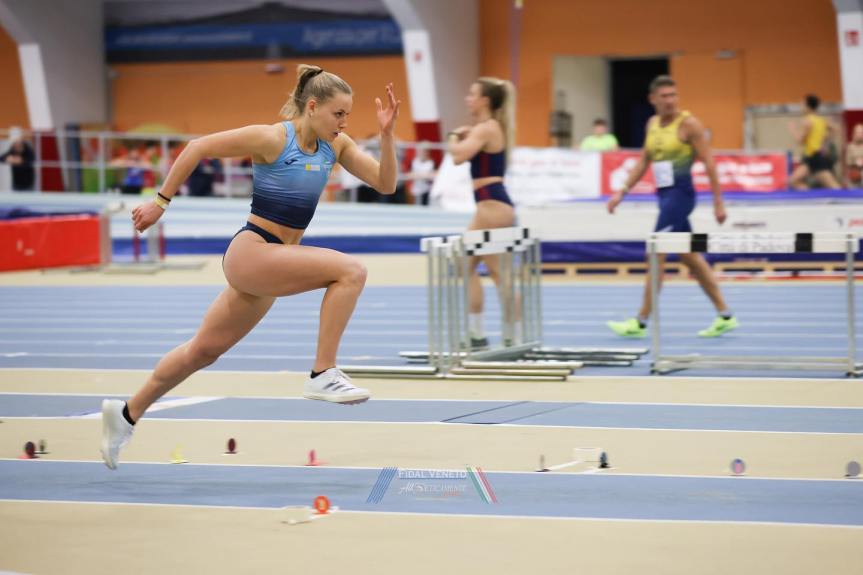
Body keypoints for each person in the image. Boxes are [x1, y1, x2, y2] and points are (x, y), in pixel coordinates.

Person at [100, 64, 401, 470]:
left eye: (348, 114)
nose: (344, 122)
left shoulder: (338, 146)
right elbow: (197, 147)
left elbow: (386, 184)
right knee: (351, 272)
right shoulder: (273, 137)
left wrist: (386, 136)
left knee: (201, 351)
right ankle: (322, 372)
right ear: (312, 107)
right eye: (339, 113)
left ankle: (124, 415)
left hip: (271, 265)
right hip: (253, 251)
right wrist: (160, 202)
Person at [606, 75, 737, 339]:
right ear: (652, 99)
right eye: (664, 96)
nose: (670, 101)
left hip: (681, 196)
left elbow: (710, 163)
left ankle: (640, 321)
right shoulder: (652, 124)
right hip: (664, 197)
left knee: (656, 252)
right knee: (690, 257)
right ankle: (725, 315)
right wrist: (622, 191)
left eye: (673, 95)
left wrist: (718, 203)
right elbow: (644, 160)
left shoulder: (689, 124)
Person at [447, 77, 518, 349]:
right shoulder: (487, 128)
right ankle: (480, 335)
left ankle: (509, 335)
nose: (468, 98)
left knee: (496, 272)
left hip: (493, 207)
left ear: (485, 100)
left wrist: (454, 135)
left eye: (472, 94)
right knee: (468, 267)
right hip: (491, 206)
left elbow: (457, 156)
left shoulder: (487, 128)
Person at [789, 94, 841, 190]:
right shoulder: (821, 120)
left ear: (808, 106)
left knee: (834, 187)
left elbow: (800, 141)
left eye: (802, 104)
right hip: (812, 158)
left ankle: (847, 200)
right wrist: (826, 139)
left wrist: (793, 130)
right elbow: (835, 129)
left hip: (815, 157)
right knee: (793, 180)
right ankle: (812, 198)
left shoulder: (807, 121)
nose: (801, 106)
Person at [845, 123, 863, 188]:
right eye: (858, 132)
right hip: (854, 172)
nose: (860, 135)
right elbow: (848, 162)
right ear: (854, 133)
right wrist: (857, 162)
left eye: (861, 132)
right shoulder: (850, 147)